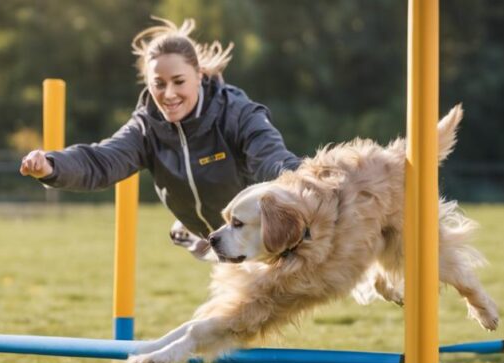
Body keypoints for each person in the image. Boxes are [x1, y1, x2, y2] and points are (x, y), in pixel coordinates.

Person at [20, 17, 300, 261]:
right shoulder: (145, 127)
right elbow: (103, 160)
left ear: (199, 75)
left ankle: (197, 237)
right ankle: (195, 235)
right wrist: (52, 165)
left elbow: (271, 158)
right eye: (158, 84)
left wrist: (305, 181)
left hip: (256, 239)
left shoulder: (237, 114)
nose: (168, 94)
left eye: (179, 81)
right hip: (218, 239)